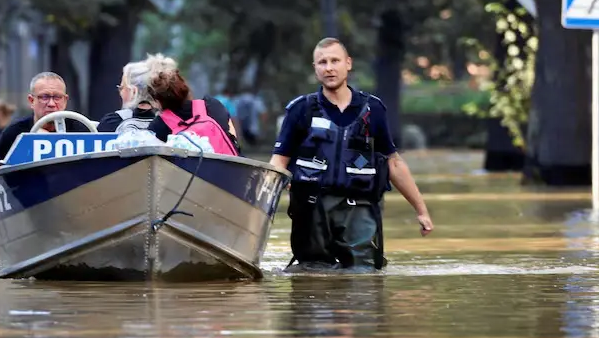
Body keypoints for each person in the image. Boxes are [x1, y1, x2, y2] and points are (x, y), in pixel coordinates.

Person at [269, 37, 433, 271]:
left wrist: (421, 210)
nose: (329, 68)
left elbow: (393, 163)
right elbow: (278, 163)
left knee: (362, 278)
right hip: (311, 209)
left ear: (348, 63)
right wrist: (262, 209)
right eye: (322, 62)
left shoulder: (373, 109)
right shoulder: (300, 110)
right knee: (312, 276)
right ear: (315, 68)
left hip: (359, 208)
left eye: (335, 61)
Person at [0, 72, 90, 161]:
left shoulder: (82, 131)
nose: (51, 104)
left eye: (57, 97)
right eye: (44, 97)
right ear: (31, 101)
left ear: (65, 101)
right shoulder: (14, 133)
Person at [146, 67, 239, 156]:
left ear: (157, 101)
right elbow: (233, 138)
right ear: (185, 88)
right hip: (230, 169)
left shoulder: (158, 126)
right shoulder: (213, 105)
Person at [96, 54, 173, 134]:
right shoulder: (176, 122)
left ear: (133, 92)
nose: (120, 93)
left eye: (121, 88)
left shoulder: (112, 123)